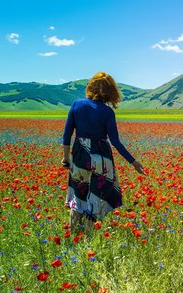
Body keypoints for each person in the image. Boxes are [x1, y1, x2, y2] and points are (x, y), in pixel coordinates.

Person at [61, 71, 145, 233]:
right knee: (96, 198)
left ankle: (74, 236)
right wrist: (133, 162)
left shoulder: (76, 105)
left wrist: (66, 159)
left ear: (90, 87)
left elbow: (66, 136)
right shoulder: (108, 112)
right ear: (110, 91)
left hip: (80, 156)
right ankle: (88, 238)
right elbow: (116, 142)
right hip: (102, 160)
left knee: (78, 196)